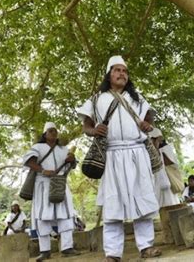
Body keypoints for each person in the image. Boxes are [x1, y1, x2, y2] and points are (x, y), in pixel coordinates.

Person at [77, 55, 161, 261]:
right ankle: (113, 254)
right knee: (113, 205)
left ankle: (146, 247)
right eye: (117, 70)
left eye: (125, 71)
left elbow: (149, 117)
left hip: (137, 153)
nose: (122, 74)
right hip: (112, 154)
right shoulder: (97, 99)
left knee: (142, 200)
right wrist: (94, 130)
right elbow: (86, 126)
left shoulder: (138, 98)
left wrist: (147, 125)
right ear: (109, 74)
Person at [23, 122, 79, 261]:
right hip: (43, 184)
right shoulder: (38, 147)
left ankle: (67, 247)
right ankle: (45, 251)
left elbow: (72, 165)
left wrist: (71, 160)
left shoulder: (63, 148)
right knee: (42, 216)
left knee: (65, 215)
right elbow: (29, 162)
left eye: (55, 131)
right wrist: (42, 170)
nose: (54, 133)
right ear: (45, 134)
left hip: (60, 183)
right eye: (50, 131)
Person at [149, 127, 181, 208]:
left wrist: (160, 153)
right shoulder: (146, 154)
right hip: (154, 189)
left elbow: (171, 165)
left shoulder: (165, 150)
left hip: (167, 187)